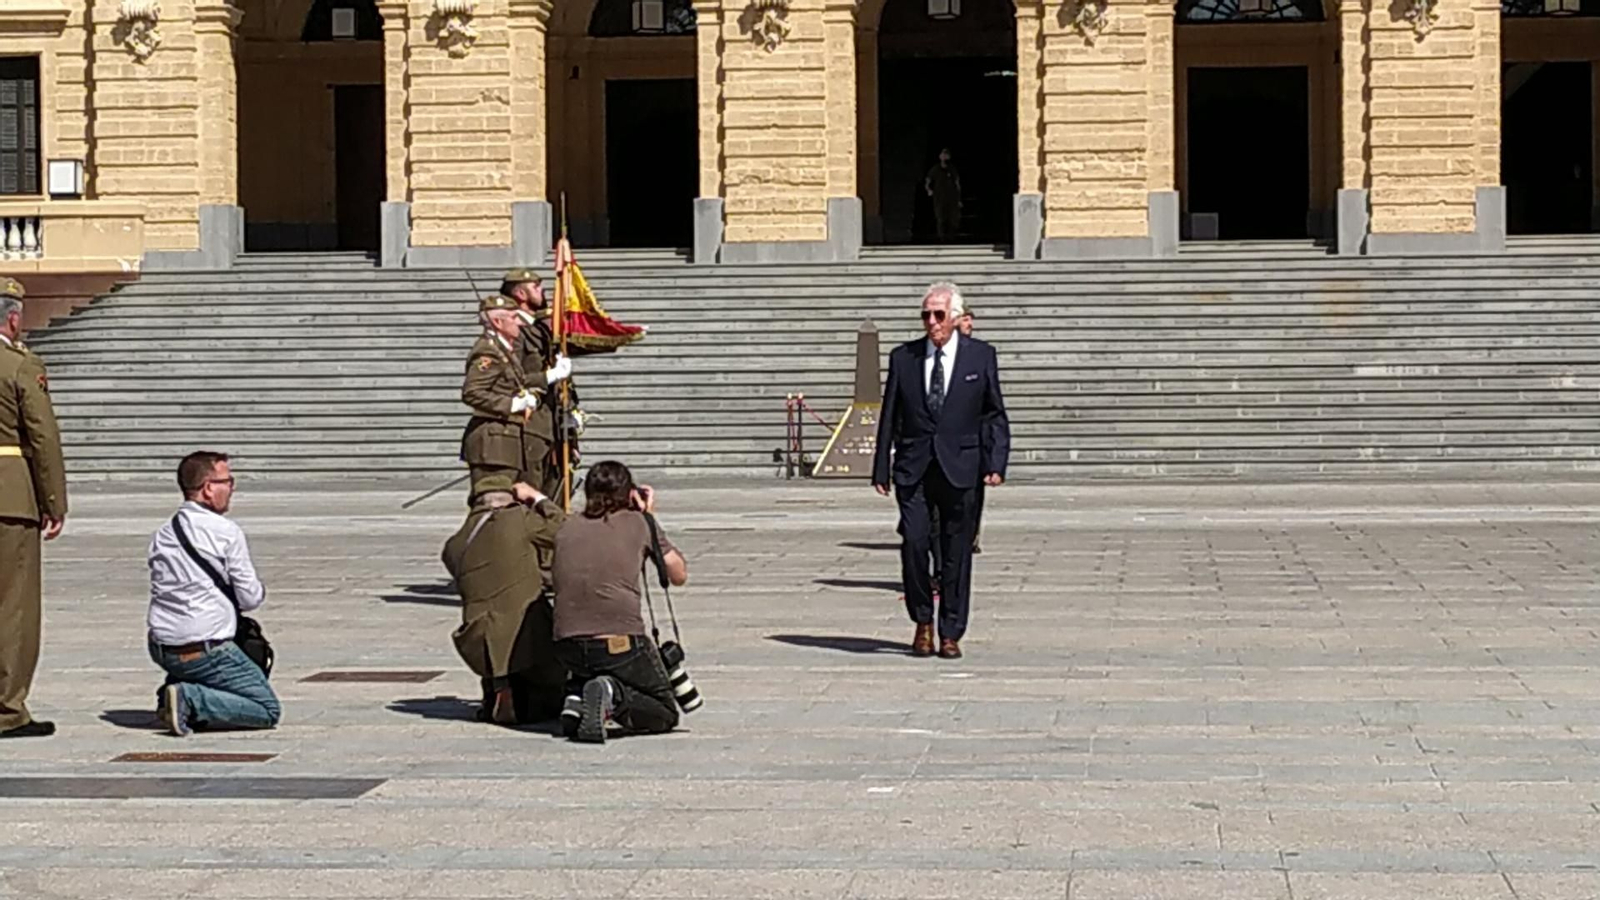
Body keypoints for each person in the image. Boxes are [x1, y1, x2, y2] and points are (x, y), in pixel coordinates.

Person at [872, 282, 1010, 660]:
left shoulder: (980, 356)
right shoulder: (904, 357)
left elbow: (993, 412)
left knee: (956, 552)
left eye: (938, 315)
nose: (931, 322)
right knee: (915, 542)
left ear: (954, 317)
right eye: (925, 315)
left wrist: (995, 461)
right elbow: (891, 413)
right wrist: (880, 464)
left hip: (961, 465)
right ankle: (922, 621)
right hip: (914, 467)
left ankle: (950, 631)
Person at [551, 460, 688, 744]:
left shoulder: (566, 526)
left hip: (566, 645)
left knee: (591, 665)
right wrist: (650, 518)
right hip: (619, 644)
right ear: (630, 493)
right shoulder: (639, 523)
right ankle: (611, 695)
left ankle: (577, 697)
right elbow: (678, 574)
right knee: (663, 711)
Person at [147, 452, 280, 736]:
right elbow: (249, 598)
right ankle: (189, 698)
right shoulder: (225, 532)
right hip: (206, 649)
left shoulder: (164, 532)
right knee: (266, 709)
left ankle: (172, 693)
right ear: (208, 488)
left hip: (162, 646)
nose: (232, 488)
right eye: (228, 481)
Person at [442, 479, 567, 725]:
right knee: (551, 696)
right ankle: (517, 698)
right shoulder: (518, 519)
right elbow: (566, 531)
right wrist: (537, 499)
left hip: (479, 643)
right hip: (527, 638)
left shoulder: (456, 544)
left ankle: (498, 689)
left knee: (497, 617)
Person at [0, 278, 67, 739]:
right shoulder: (20, 366)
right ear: (13, 317)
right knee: (13, 607)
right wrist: (53, 501)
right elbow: (42, 437)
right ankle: (7, 709)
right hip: (10, 497)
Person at [460, 293, 571, 508]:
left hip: (506, 439)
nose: (519, 322)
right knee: (493, 504)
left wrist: (551, 376)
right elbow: (472, 392)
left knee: (508, 504)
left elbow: (517, 382)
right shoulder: (488, 351)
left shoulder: (504, 350)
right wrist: (512, 404)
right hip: (493, 444)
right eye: (513, 317)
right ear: (498, 322)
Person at [924, 148, 963, 242]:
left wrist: (959, 198)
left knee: (952, 218)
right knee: (940, 217)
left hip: (951, 197)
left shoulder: (952, 169)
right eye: (943, 155)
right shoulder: (935, 169)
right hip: (939, 197)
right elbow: (928, 181)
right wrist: (929, 190)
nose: (944, 157)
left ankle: (951, 237)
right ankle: (941, 237)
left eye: (946, 155)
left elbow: (957, 183)